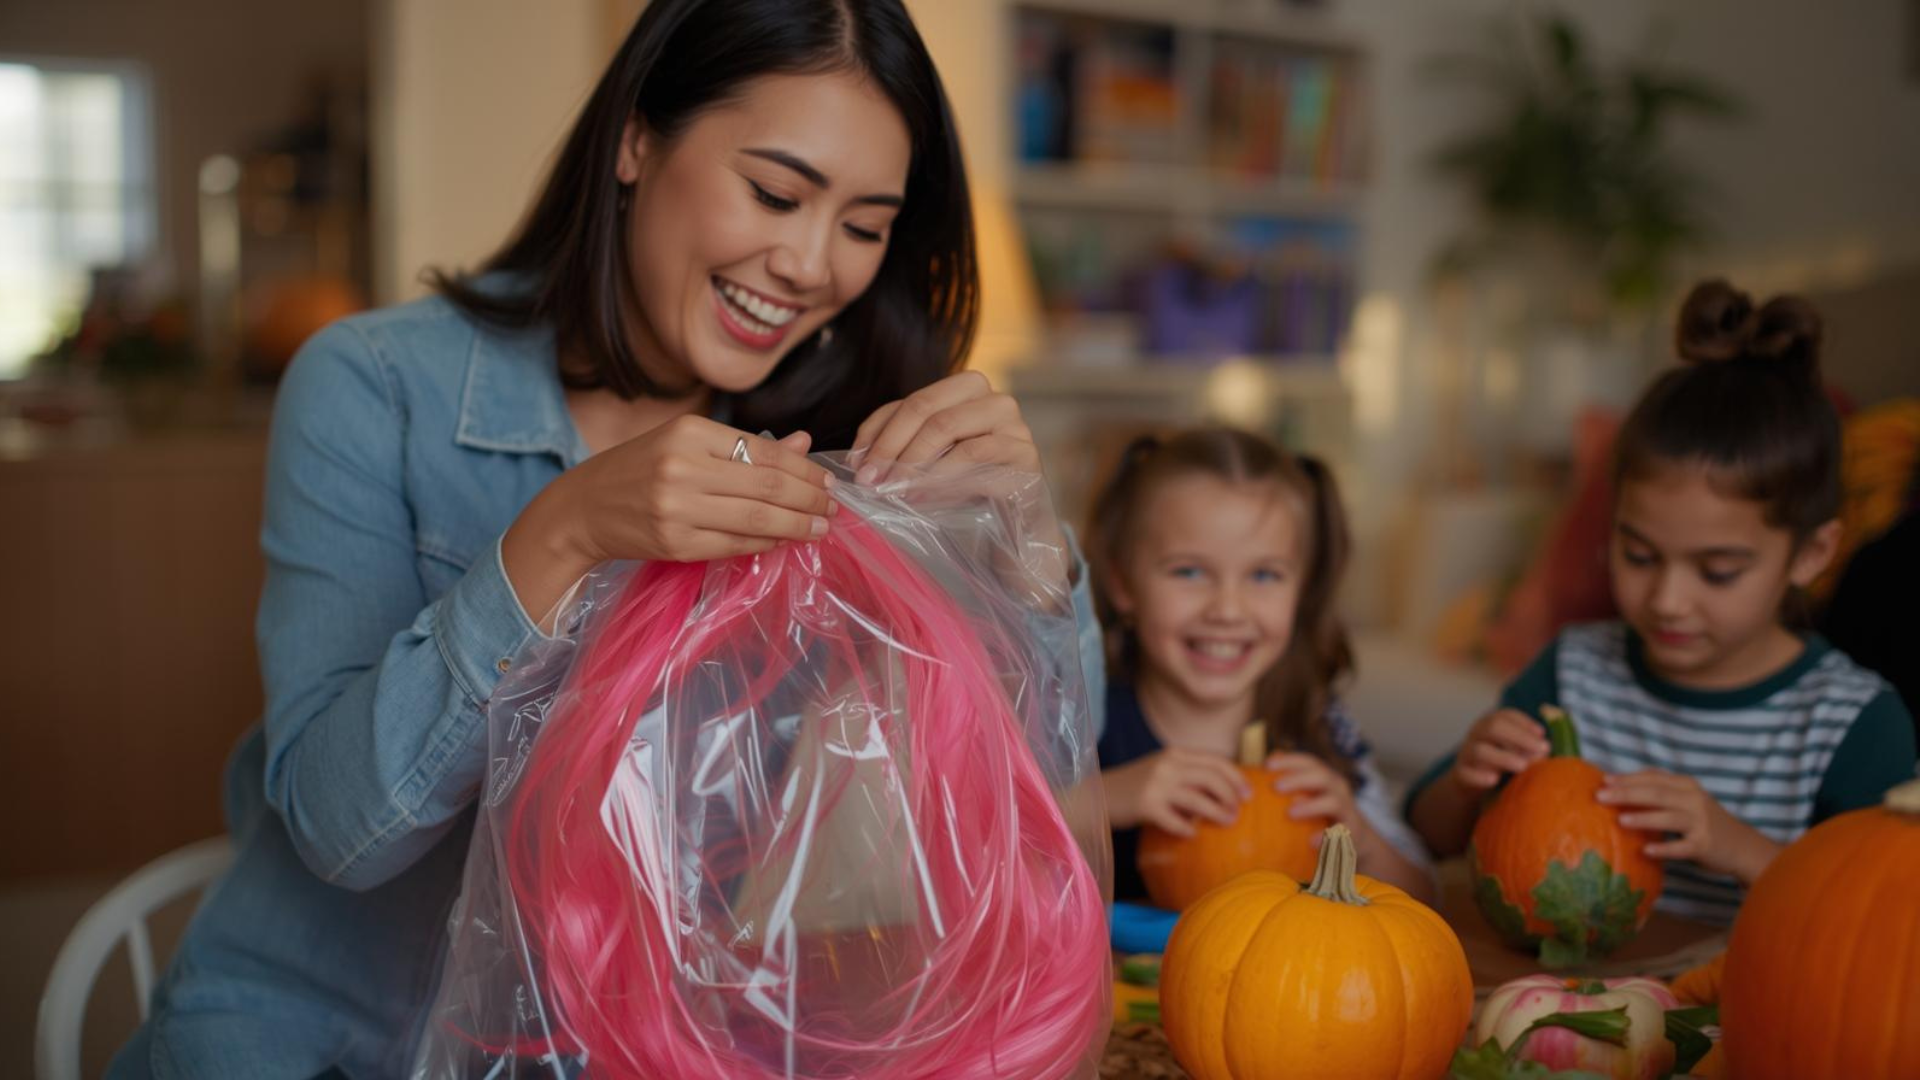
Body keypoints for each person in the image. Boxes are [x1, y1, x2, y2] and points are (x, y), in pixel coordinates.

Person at [109, 2, 1103, 1076]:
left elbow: (1039, 779)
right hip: (306, 1046)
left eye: (864, 226)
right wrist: (569, 533)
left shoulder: (831, 460)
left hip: (607, 1052)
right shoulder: (375, 388)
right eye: (775, 192)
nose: (813, 264)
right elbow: (342, 832)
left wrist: (1028, 554)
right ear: (636, 137)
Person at [1406, 280, 1918, 926]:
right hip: (1580, 996)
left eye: (1718, 571)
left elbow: (1884, 920)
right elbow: (1428, 832)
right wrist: (1466, 781)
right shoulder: (1574, 672)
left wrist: (1740, 848)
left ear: (1812, 554)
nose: (1668, 601)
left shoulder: (1853, 723)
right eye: (1640, 555)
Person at [1088, 428, 1436, 905]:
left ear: (1302, 588)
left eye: (1264, 575)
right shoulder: (1084, 723)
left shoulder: (1319, 727)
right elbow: (978, 853)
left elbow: (1424, 904)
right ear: (1123, 583)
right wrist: (1099, 800)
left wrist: (1361, 839)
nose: (1228, 610)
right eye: (1188, 571)